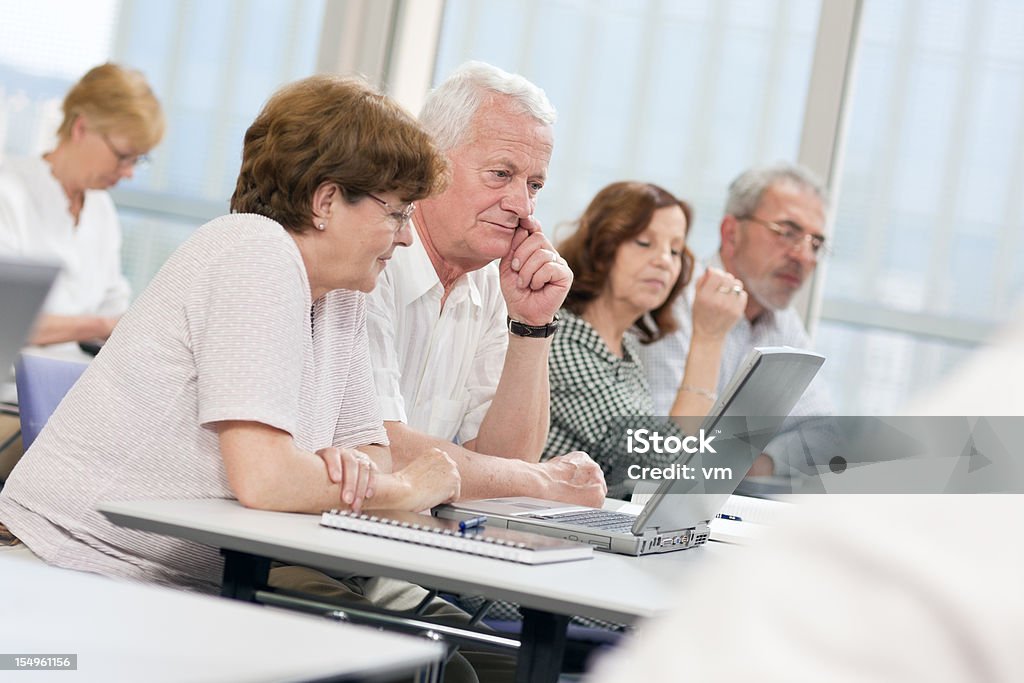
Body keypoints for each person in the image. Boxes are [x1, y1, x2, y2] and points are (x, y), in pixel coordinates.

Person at [0, 75, 460, 590]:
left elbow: (368, 455)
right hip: (67, 566)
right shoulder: (253, 250)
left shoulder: (343, 292)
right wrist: (402, 489)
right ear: (326, 200)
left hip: (166, 579)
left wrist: (351, 478)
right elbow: (268, 479)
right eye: (397, 213)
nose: (405, 237)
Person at [365, 61, 606, 505]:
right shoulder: (369, 260)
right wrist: (541, 483)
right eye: (501, 174)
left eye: (534, 184)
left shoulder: (496, 281)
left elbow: (506, 462)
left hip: (411, 543)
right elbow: (380, 448)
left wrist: (532, 324)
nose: (521, 204)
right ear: (431, 161)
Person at [546, 181, 745, 497]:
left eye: (675, 250)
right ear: (601, 247)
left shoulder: (624, 351)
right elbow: (661, 471)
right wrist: (708, 339)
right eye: (644, 242)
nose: (664, 260)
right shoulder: (562, 340)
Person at [638, 163, 834, 476]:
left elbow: (823, 438)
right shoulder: (671, 298)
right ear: (730, 233)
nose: (804, 257)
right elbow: (667, 455)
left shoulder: (784, 321)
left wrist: (757, 465)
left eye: (816, 243)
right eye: (787, 233)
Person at [0, 63, 165, 346]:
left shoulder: (101, 210)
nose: (129, 172)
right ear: (81, 128)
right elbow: (7, 322)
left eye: (138, 160)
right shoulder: (9, 192)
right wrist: (99, 325)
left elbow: (115, 309)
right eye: (124, 156)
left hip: (76, 383)